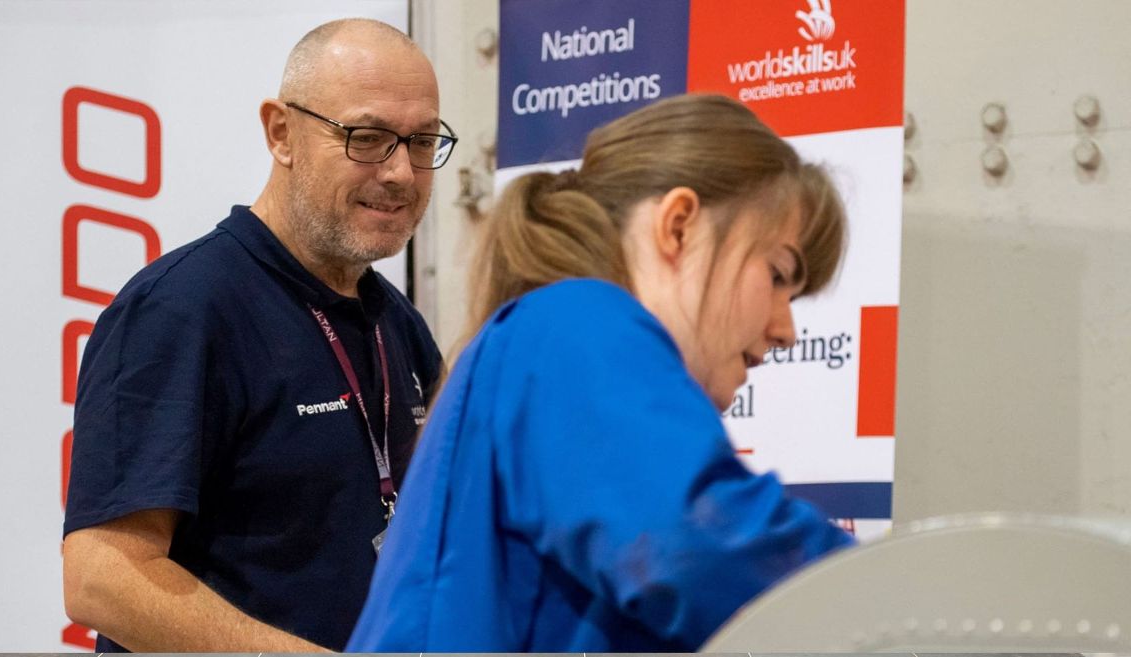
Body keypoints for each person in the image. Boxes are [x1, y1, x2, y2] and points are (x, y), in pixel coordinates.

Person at [346, 93, 855, 653]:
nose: (787, 329)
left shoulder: (545, 333)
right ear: (679, 226)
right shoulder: (575, 324)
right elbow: (695, 543)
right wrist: (899, 586)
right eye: (778, 275)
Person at [61, 18, 453, 652]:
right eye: (369, 137)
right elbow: (103, 577)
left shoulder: (396, 323)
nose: (402, 172)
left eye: (422, 140)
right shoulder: (182, 310)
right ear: (282, 133)